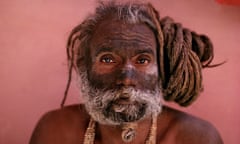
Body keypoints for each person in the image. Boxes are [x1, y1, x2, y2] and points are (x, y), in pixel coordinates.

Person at [30, 1, 223, 144]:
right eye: (107, 59)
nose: (126, 79)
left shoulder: (196, 138)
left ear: (162, 68)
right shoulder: (55, 131)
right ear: (83, 66)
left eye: (142, 60)